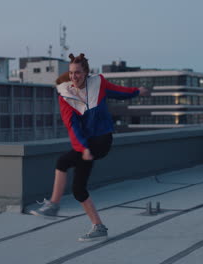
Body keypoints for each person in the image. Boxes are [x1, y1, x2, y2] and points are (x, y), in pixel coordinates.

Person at [30, 53, 150, 241]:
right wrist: (83, 148)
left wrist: (136, 92)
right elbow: (72, 126)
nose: (73, 77)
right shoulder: (65, 95)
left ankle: (53, 205)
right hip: (85, 145)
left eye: (77, 73)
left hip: (102, 140)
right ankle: (98, 226)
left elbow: (119, 92)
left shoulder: (98, 83)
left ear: (86, 73)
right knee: (79, 189)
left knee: (62, 161)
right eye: (71, 73)